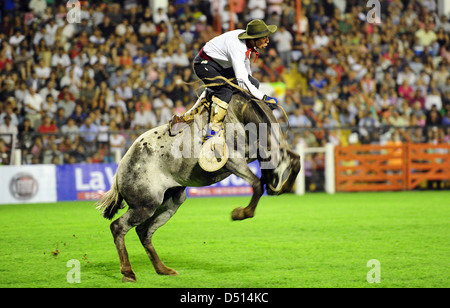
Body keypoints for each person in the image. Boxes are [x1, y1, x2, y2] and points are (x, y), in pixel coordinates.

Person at [171, 19, 279, 154]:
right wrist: (264, 97)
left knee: (254, 83)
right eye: (264, 38)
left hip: (219, 65)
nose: (267, 41)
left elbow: (246, 73)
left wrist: (256, 92)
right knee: (224, 90)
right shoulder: (238, 47)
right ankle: (212, 130)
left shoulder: (247, 43)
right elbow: (241, 80)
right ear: (254, 39)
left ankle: (196, 112)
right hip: (204, 64)